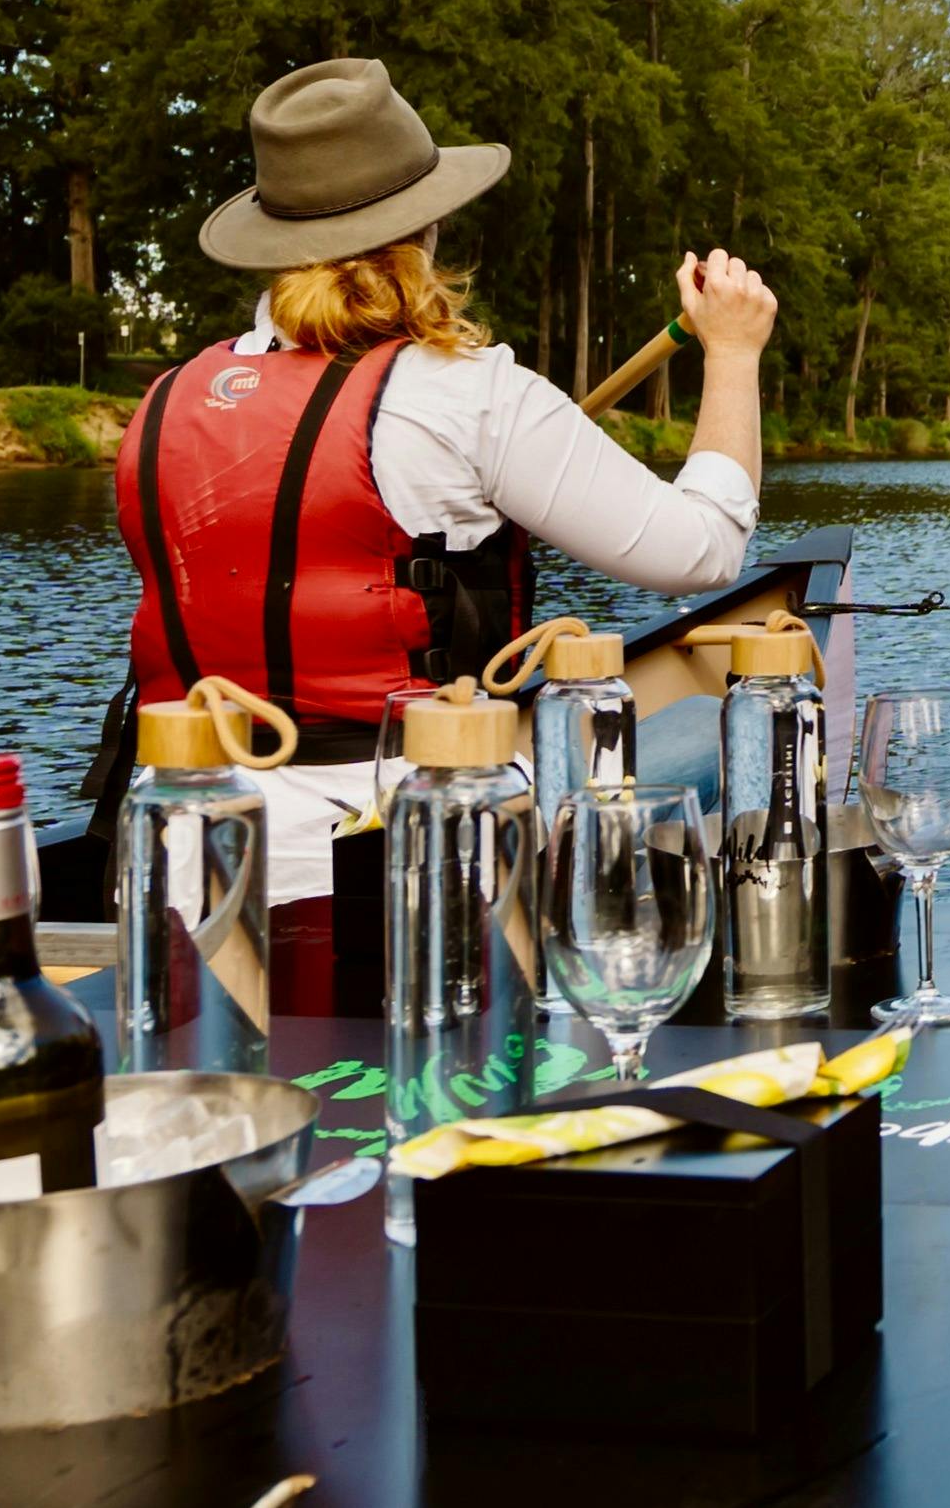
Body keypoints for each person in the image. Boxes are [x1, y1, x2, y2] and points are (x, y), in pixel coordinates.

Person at [97, 62, 776, 1014]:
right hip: (409, 860)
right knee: (707, 737)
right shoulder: (468, 392)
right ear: (425, 227)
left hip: (186, 861)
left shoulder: (167, 401)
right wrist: (735, 354)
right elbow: (702, 551)